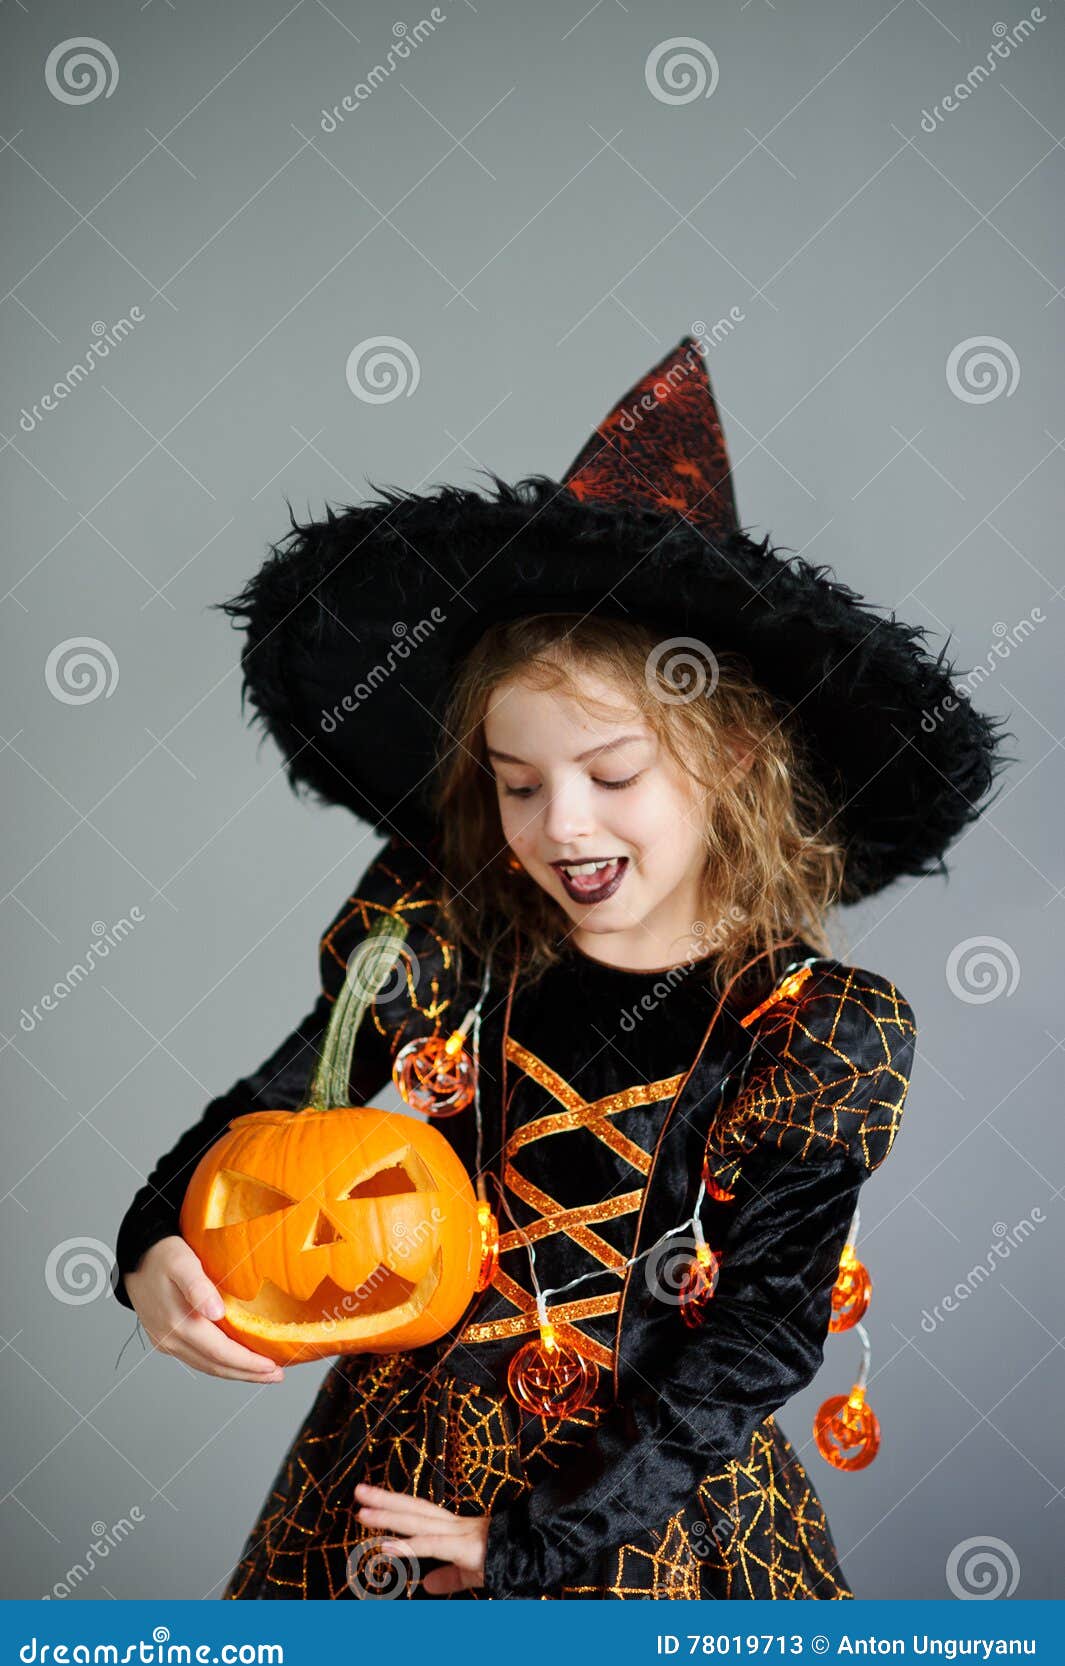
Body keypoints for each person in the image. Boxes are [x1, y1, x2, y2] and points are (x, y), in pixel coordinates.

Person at [111, 335, 1009, 1600]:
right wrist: (154, 1244)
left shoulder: (814, 1027)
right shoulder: (445, 943)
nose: (561, 827)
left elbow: (758, 1336)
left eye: (613, 776)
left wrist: (539, 1538)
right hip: (397, 1484)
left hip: (645, 1511)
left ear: (736, 755)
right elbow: (271, 1122)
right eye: (519, 784)